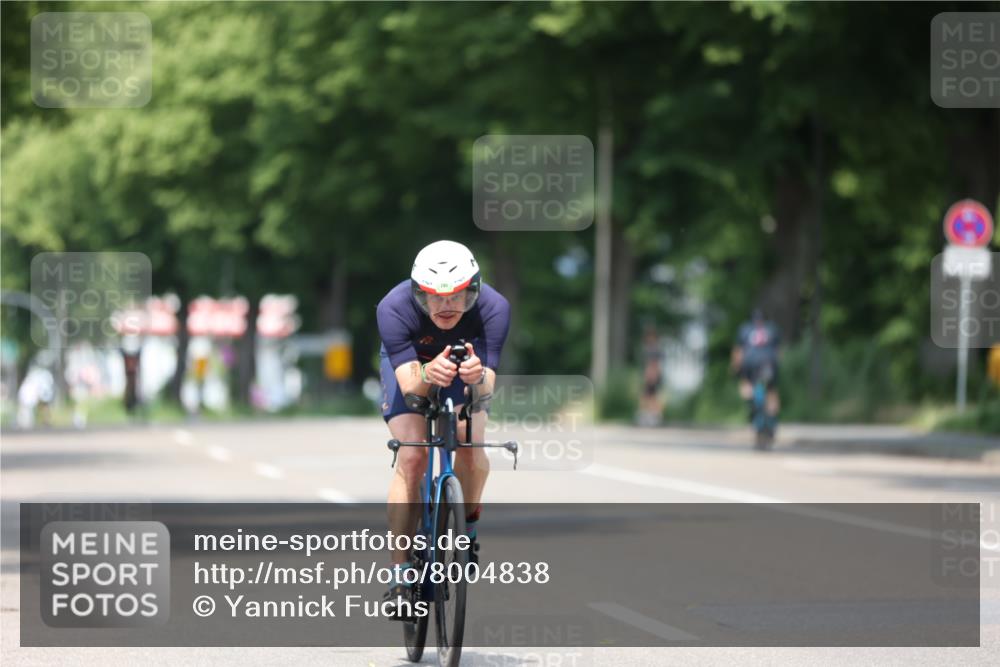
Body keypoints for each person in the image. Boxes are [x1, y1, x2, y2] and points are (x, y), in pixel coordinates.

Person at [376, 240, 510, 614]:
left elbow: (486, 385)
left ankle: (467, 525)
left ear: (473, 290)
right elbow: (409, 385)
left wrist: (478, 375)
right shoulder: (393, 308)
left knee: (471, 444)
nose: (446, 305)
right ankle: (401, 572)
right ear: (419, 294)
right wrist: (427, 374)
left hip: (464, 370)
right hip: (414, 368)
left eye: (457, 296)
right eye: (434, 297)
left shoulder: (494, 309)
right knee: (413, 456)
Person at [731, 308, 781, 422]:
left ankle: (751, 404)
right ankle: (772, 416)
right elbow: (778, 352)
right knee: (771, 390)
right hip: (768, 363)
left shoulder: (744, 329)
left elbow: (738, 351)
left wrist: (735, 367)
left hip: (750, 363)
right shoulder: (772, 328)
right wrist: (776, 367)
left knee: (745, 383)